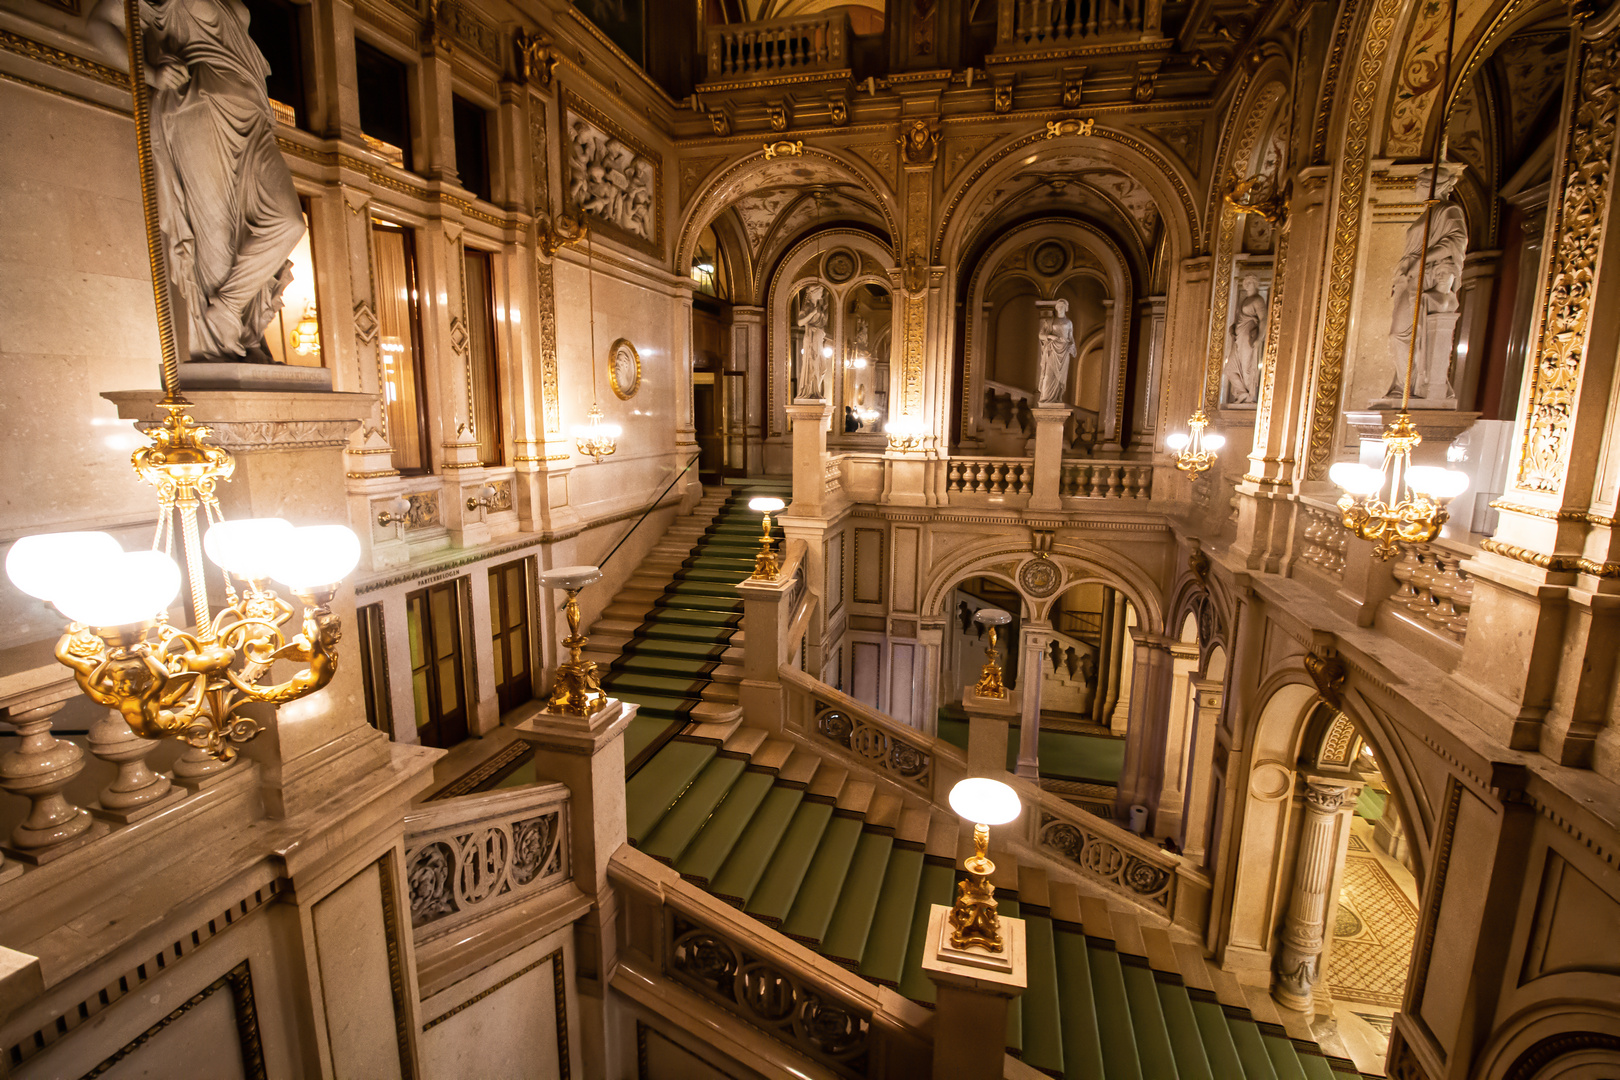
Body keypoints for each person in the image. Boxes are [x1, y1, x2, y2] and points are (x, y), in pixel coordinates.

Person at [91, 0, 305, 361]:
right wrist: (150, 74)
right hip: (199, 109)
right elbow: (99, 23)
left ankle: (230, 313)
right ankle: (224, 345)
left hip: (253, 120)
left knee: (287, 223)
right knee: (217, 240)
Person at [1037, 300, 1076, 404]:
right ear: (1056, 307)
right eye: (1058, 306)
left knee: (1060, 379)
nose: (1060, 308)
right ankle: (1045, 398)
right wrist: (1050, 336)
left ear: (1066, 308)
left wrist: (1071, 346)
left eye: (1062, 306)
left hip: (1064, 352)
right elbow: (1040, 335)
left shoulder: (1069, 323)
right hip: (1052, 349)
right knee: (1048, 375)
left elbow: (1071, 338)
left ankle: (1056, 398)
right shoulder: (1049, 321)